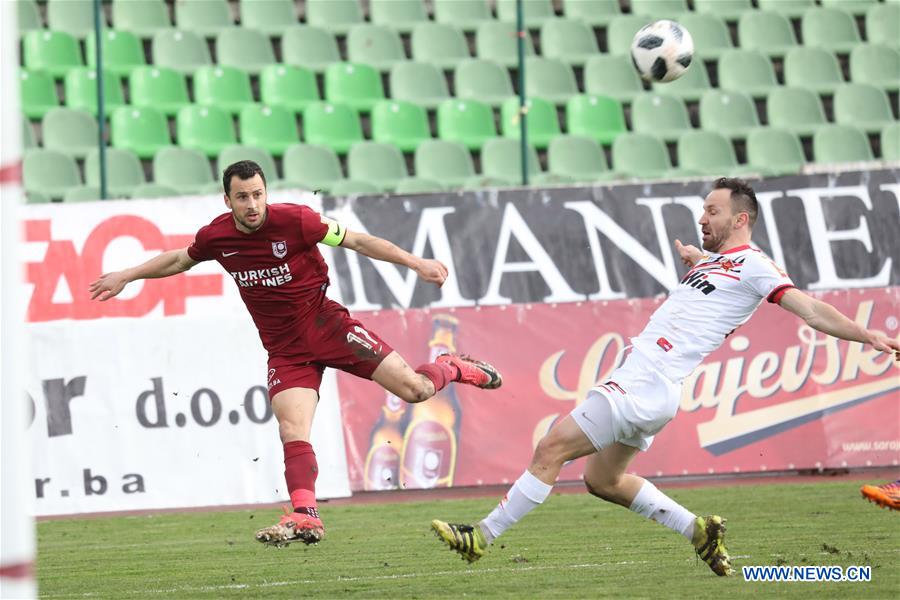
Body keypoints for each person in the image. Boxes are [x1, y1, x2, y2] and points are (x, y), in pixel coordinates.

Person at [431, 177, 900, 576]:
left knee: (551, 448)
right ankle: (698, 530)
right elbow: (717, 286)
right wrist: (700, 261)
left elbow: (812, 310)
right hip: (655, 389)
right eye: (702, 210)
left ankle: (481, 536)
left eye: (713, 211)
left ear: (741, 219)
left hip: (643, 380)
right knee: (603, 480)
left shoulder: (757, 266)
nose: (703, 217)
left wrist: (867, 336)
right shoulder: (719, 263)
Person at [89, 160, 502, 547]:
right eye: (242, 197)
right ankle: (306, 514)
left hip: (328, 327)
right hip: (286, 352)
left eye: (257, 194)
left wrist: (415, 263)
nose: (252, 205)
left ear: (265, 192)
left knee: (415, 390)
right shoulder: (218, 236)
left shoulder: (297, 220)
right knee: (292, 429)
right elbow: (179, 260)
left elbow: (357, 240)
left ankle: (452, 366)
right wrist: (127, 274)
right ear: (227, 200)